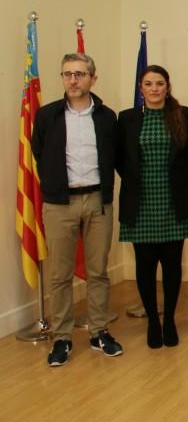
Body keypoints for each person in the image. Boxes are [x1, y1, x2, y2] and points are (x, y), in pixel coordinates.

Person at [32, 53, 121, 366]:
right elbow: (39, 153)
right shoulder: (47, 116)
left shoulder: (107, 116)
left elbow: (115, 154)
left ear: (92, 79)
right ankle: (62, 338)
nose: (73, 80)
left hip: (97, 201)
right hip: (60, 204)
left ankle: (99, 332)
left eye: (80, 74)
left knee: (98, 271)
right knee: (59, 275)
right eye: (67, 74)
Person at [117, 65, 188, 348]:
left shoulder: (182, 115)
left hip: (174, 199)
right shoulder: (126, 118)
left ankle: (170, 320)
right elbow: (121, 159)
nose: (154, 89)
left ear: (167, 87)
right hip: (140, 201)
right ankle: (153, 320)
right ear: (141, 87)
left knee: (172, 264)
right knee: (145, 265)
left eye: (159, 83)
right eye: (148, 84)